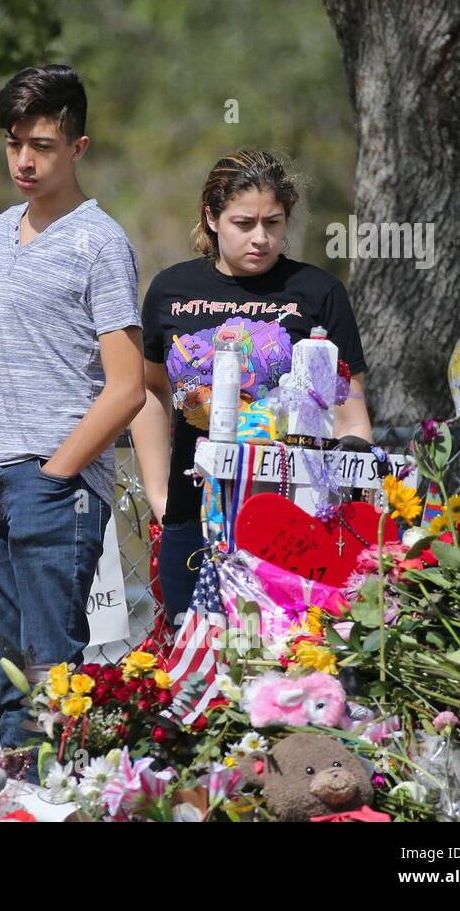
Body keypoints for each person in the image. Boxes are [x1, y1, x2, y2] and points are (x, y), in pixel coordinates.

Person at [0, 65, 145, 760]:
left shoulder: (101, 242)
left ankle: (63, 792)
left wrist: (55, 473)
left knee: (52, 676)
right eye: (13, 144)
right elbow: (5, 352)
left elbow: (126, 387)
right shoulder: (6, 230)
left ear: (80, 148)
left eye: (41, 144)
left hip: (54, 484)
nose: (24, 161)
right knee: (8, 680)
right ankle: (19, 797)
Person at [131, 150, 372, 626]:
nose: (261, 238)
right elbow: (150, 391)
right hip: (193, 518)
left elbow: (351, 412)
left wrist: (340, 506)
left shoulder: (318, 292)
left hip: (293, 519)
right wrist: (160, 495)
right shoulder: (171, 289)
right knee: (198, 661)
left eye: (274, 223)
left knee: (287, 661)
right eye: (244, 223)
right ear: (211, 218)